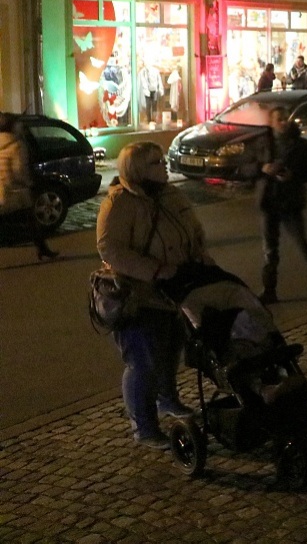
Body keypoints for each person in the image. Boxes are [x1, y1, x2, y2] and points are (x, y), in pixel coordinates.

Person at [96, 142, 198, 447]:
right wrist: (153, 270)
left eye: (163, 159)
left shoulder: (171, 194)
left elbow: (193, 232)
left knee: (170, 349)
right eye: (156, 162)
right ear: (138, 169)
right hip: (138, 295)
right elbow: (110, 248)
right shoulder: (119, 203)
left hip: (174, 291)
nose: (164, 165)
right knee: (142, 362)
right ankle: (144, 425)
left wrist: (202, 259)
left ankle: (167, 399)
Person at [258, 107, 307, 304]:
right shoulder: (264, 143)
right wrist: (264, 168)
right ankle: (269, 290)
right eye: (279, 119)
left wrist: (293, 174)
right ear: (271, 122)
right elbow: (250, 166)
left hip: (290, 201)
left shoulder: (300, 144)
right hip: (269, 200)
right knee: (270, 250)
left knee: (302, 243)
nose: (283, 122)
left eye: (285, 118)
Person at [0, 113, 57, 261]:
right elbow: (19, 170)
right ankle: (42, 249)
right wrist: (27, 183)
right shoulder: (16, 145)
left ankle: (43, 249)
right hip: (16, 191)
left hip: (1, 191)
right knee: (31, 222)